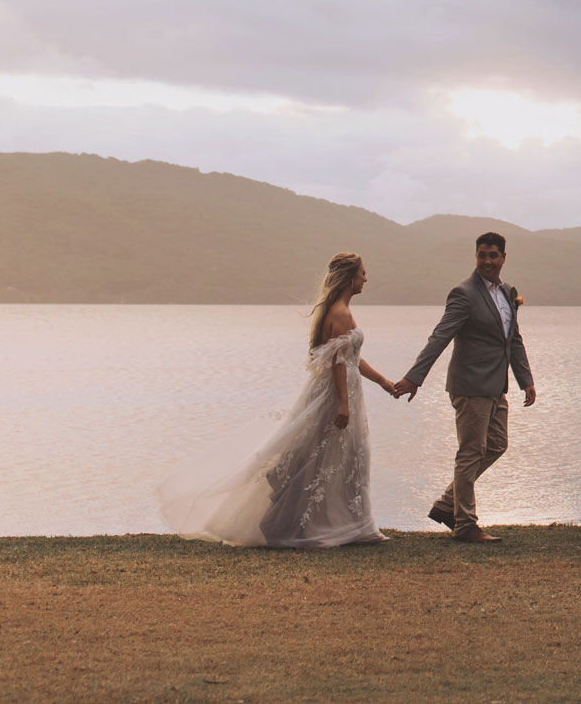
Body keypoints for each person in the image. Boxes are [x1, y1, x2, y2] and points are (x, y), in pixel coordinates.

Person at [158, 252, 403, 548]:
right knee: (323, 457)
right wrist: (343, 403)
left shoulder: (340, 312)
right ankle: (316, 524)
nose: (366, 278)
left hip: (345, 391)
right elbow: (339, 362)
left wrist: (383, 382)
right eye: (363, 273)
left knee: (344, 456)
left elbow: (352, 359)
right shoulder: (340, 313)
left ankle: (352, 524)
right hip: (338, 394)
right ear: (350, 278)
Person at [397, 231, 536, 543]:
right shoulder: (464, 293)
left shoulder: (508, 292)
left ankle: (448, 505)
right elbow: (440, 336)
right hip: (469, 385)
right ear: (476, 257)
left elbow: (513, 339)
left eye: (492, 256)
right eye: (481, 255)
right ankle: (465, 525)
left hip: (495, 386)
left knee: (497, 445)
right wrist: (414, 377)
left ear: (503, 258)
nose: (486, 261)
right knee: (471, 453)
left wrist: (525, 380)